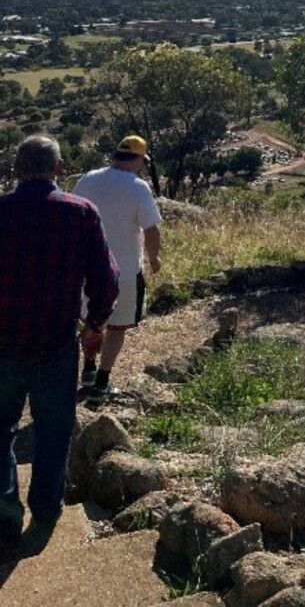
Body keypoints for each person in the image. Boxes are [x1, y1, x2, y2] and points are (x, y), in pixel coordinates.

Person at [0, 135, 119, 548]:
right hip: (55, 345)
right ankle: (47, 512)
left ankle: (6, 513)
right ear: (60, 167)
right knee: (54, 432)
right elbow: (106, 278)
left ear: (16, 170)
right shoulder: (81, 213)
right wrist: (95, 324)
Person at [74, 135, 162, 405]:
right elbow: (151, 229)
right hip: (123, 272)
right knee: (117, 327)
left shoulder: (87, 179)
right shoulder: (138, 188)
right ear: (138, 159)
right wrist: (154, 259)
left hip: (87, 271)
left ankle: (88, 368)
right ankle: (102, 380)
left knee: (91, 320)